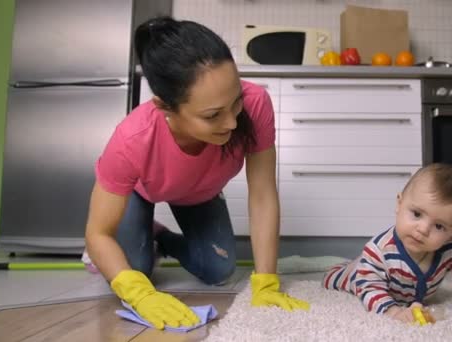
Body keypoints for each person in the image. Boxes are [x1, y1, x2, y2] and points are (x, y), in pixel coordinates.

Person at [83, 16, 309, 330]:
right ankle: (141, 237)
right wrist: (138, 293)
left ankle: (159, 235)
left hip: (200, 193)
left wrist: (266, 281)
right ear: (164, 107)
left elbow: (262, 195)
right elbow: (97, 233)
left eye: (236, 103)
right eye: (213, 115)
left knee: (219, 269)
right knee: (134, 269)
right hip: (142, 192)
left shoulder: (256, 104)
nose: (231, 123)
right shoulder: (131, 139)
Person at [322, 163, 452, 323]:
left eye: (439, 226)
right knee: (338, 276)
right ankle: (337, 267)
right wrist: (392, 310)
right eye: (416, 214)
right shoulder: (379, 250)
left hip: (400, 289)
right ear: (399, 204)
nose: (422, 229)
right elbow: (369, 287)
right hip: (358, 276)